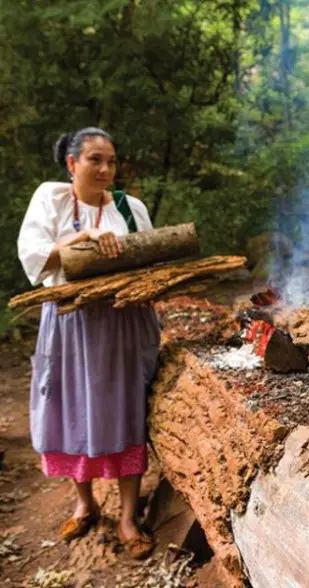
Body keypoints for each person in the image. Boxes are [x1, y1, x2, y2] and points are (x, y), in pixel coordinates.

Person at [17, 127, 160, 558]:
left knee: (124, 412)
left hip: (122, 324)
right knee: (71, 409)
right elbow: (33, 256)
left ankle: (128, 517)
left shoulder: (129, 208)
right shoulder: (53, 198)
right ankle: (85, 503)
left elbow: (151, 264)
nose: (104, 169)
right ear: (72, 163)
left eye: (111, 161)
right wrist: (81, 239)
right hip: (69, 323)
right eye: (94, 159)